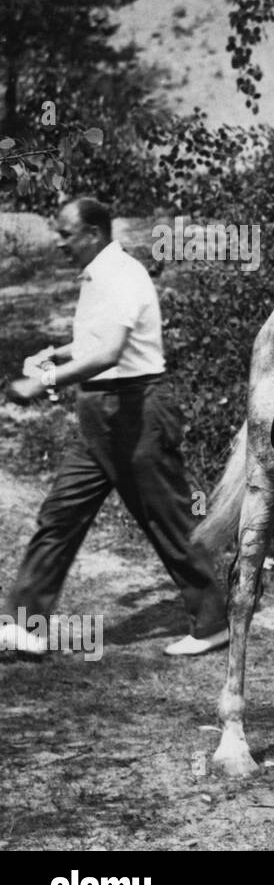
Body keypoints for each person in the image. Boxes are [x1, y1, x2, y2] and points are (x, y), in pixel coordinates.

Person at [0, 199, 228, 657]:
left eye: (66, 234)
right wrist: (58, 353)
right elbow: (97, 341)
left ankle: (213, 623)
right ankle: (25, 625)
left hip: (136, 410)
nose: (59, 243)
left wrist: (41, 381)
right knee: (60, 514)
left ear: (94, 233)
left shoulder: (121, 274)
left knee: (167, 519)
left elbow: (110, 354)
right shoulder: (98, 275)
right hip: (101, 414)